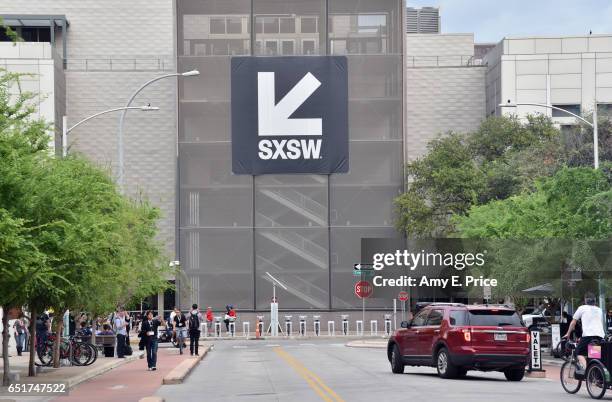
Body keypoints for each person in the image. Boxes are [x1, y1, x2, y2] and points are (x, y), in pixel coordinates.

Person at [563, 292, 605, 375]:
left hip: (588, 336)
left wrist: (568, 334)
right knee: (594, 356)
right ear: (595, 301)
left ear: (585, 301)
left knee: (578, 353)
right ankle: (593, 374)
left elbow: (573, 322)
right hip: (599, 336)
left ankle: (586, 372)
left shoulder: (582, 308)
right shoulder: (599, 310)